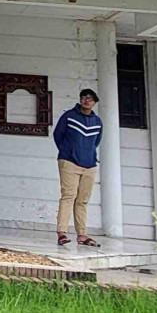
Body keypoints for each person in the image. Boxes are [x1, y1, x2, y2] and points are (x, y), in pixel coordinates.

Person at [52, 88, 104, 247]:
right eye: (84, 97)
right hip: (69, 162)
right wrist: (67, 151)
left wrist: (87, 154)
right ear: (80, 100)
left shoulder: (97, 122)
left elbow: (96, 142)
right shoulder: (69, 116)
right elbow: (58, 135)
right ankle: (62, 233)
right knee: (68, 196)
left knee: (82, 200)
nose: (87, 100)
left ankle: (82, 234)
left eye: (90, 98)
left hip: (89, 165)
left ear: (94, 102)